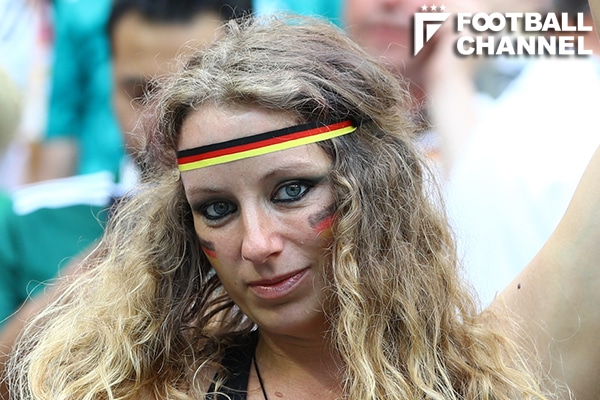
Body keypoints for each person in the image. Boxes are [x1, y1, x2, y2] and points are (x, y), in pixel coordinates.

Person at [6, 15, 600, 399]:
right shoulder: (150, 390)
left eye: (290, 191)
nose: (257, 245)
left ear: (373, 186)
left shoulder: (491, 372)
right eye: (217, 209)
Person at [0, 0, 251, 397]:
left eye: (192, 90)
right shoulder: (30, 221)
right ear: (109, 83)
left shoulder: (301, 220)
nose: (160, 120)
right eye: (139, 92)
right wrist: (82, 291)